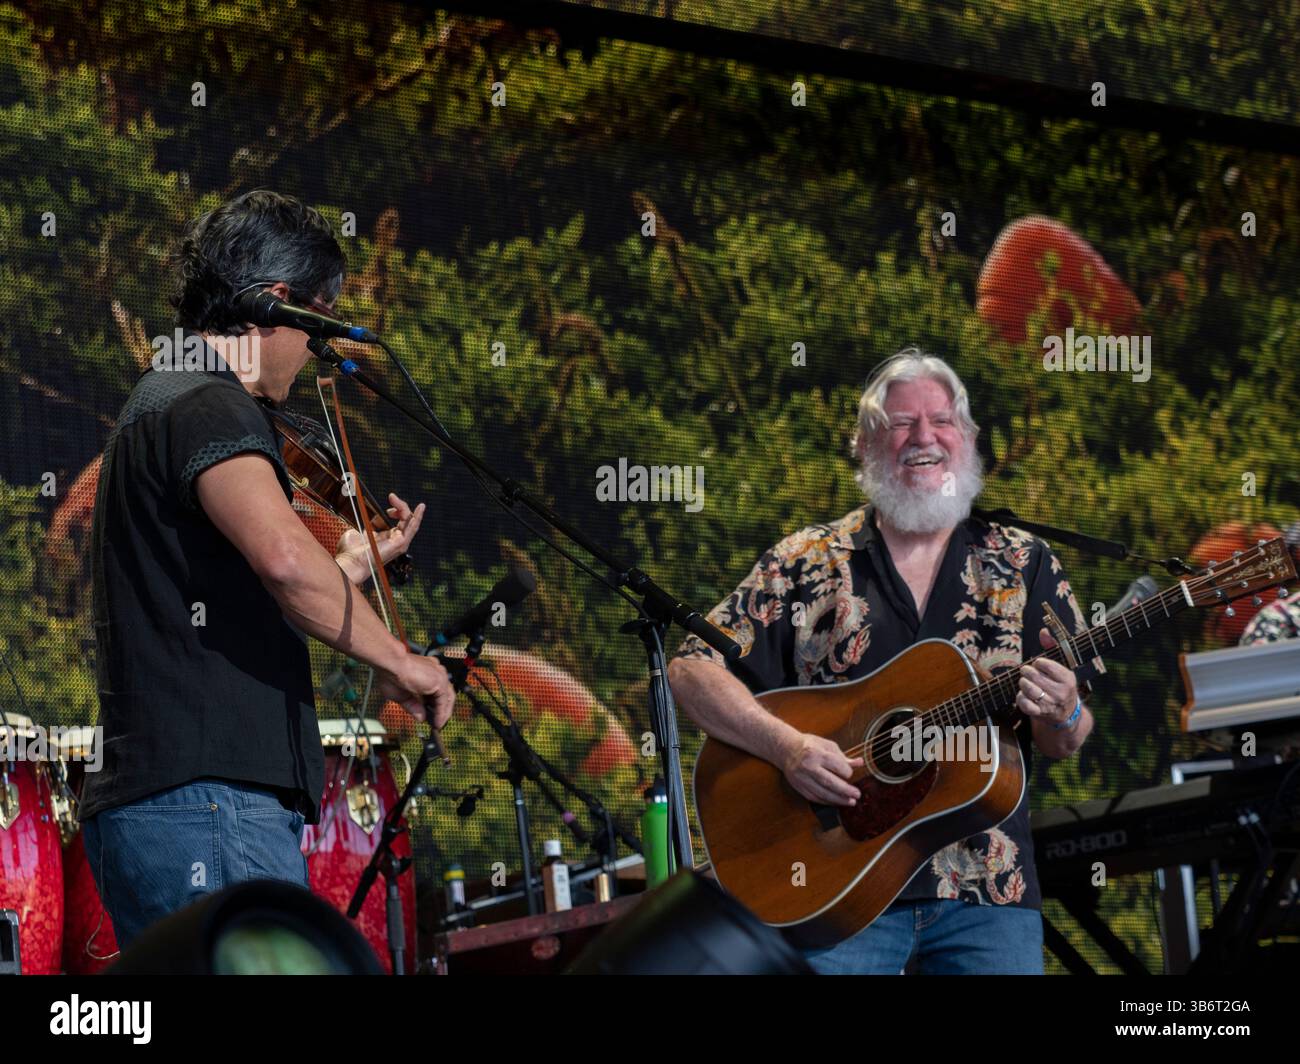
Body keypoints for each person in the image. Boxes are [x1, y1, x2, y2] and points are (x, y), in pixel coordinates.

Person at [79, 190, 455, 947]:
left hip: (178, 806)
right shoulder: (209, 403)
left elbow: (241, 589)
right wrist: (398, 660)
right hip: (211, 805)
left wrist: (343, 568)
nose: (313, 353)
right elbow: (284, 563)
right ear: (278, 303)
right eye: (315, 327)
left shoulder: (167, 393)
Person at [669, 347, 1093, 974]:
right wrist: (788, 747)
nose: (925, 438)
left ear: (969, 439)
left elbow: (1068, 738)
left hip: (987, 889)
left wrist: (1064, 712)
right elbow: (692, 669)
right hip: (833, 891)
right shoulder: (806, 561)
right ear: (866, 446)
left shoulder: (1024, 562)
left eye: (942, 421)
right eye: (901, 424)